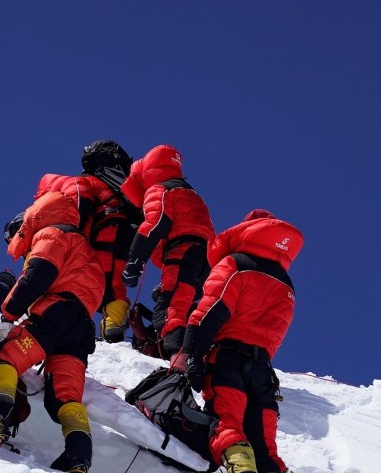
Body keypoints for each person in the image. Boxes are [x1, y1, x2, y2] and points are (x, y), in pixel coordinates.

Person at [0, 191, 104, 472]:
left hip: (54, 315)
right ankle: (79, 456)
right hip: (81, 330)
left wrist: (7, 315)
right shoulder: (85, 248)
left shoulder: (52, 234)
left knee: (3, 356)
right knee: (64, 397)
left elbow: (37, 275)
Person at [169, 209, 302, 473]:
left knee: (226, 423)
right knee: (266, 449)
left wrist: (193, 354)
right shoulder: (286, 284)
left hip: (227, 360)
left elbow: (210, 311)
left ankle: (239, 467)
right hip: (263, 371)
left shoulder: (236, 263)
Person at [34, 140, 140, 343]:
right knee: (113, 288)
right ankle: (112, 332)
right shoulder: (111, 191)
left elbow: (76, 212)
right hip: (116, 244)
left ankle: (68, 325)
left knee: (84, 287)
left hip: (95, 245)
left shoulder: (85, 184)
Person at [119, 144, 215, 356]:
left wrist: (135, 259)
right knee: (183, 306)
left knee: (169, 311)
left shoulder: (159, 189)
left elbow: (155, 224)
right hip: (205, 260)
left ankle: (177, 361)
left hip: (181, 253)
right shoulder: (191, 194)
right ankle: (195, 353)